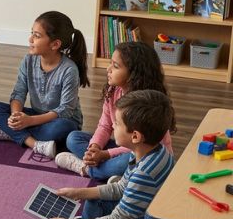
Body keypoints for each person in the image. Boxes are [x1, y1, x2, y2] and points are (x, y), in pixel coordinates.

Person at [46, 90, 194, 219]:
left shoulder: (145, 172)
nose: (113, 125)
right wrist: (78, 192)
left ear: (135, 136)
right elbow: (121, 188)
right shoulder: (150, 151)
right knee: (95, 196)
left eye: (117, 123)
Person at [55, 41, 174, 179]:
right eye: (110, 63)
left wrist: (106, 154)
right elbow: (104, 125)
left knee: (126, 161)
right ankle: (105, 168)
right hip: (123, 144)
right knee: (73, 138)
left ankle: (85, 168)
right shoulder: (113, 91)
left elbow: (140, 145)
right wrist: (95, 147)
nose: (108, 69)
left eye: (115, 66)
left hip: (145, 154)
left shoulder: (145, 104)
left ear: (135, 74)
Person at [0, 11, 88, 159]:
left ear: (55, 44)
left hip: (61, 121)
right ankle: (34, 143)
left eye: (37, 36)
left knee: (62, 129)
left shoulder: (69, 70)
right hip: (36, 117)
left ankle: (10, 133)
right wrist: (15, 117)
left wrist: (29, 121)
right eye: (31, 33)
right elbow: (19, 92)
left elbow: (65, 110)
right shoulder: (28, 60)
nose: (30, 39)